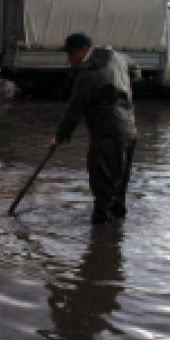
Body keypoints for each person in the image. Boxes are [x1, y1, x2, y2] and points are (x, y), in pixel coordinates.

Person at [50, 32, 139, 224]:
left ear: (84, 50)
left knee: (103, 187)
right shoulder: (117, 57)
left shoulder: (88, 73)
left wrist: (60, 136)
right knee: (119, 186)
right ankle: (115, 237)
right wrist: (121, 91)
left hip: (107, 135)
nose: (69, 60)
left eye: (71, 54)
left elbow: (75, 108)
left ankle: (99, 239)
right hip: (129, 131)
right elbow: (136, 72)